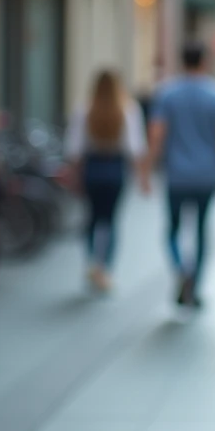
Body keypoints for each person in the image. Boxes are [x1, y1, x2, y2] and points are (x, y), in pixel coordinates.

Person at [147, 42, 215, 308]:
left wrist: (145, 171)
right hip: (206, 175)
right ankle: (195, 285)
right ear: (205, 61)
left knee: (173, 229)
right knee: (201, 230)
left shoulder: (167, 94)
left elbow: (156, 135)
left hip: (176, 175)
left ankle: (181, 268)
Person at [64, 70, 150, 293]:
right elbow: (135, 148)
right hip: (115, 168)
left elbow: (75, 149)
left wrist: (74, 175)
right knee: (111, 221)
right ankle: (106, 269)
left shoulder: (84, 109)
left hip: (92, 168)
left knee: (92, 218)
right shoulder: (128, 109)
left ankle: (92, 263)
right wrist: (142, 177)